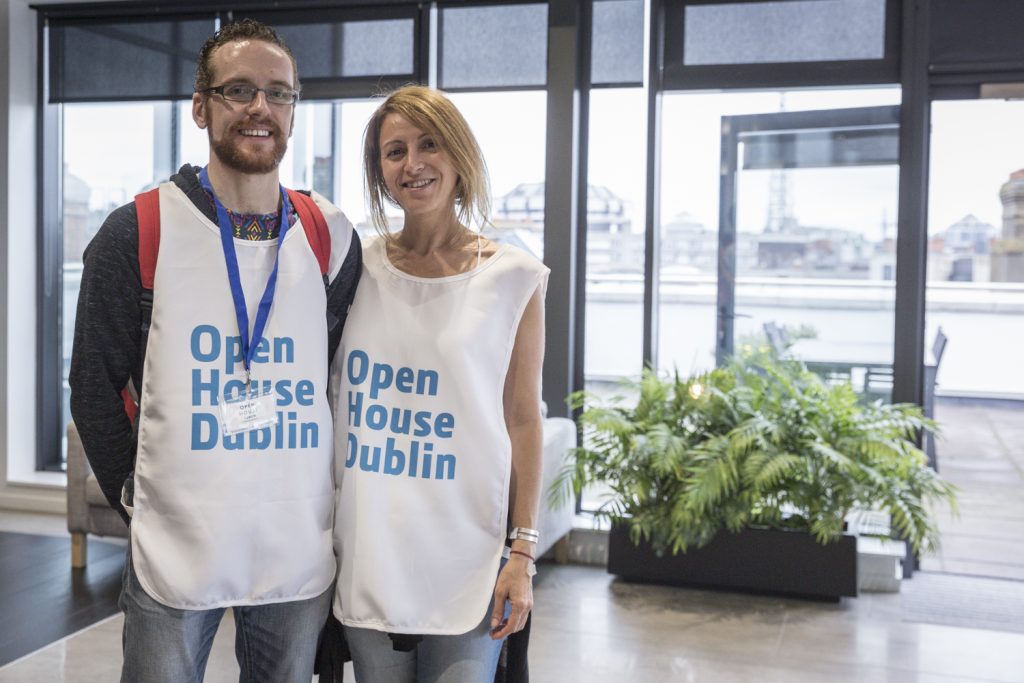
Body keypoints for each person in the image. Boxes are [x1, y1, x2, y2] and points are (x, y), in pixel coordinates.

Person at [68, 19, 360, 683]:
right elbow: (92, 384)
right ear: (201, 107)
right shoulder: (137, 232)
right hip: (177, 546)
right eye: (238, 90)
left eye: (279, 93)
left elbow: (339, 378)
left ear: (294, 109)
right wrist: (136, 498)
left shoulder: (329, 236)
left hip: (294, 545)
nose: (261, 106)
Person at [329, 85, 548, 683]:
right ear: (380, 171)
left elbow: (523, 419)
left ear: (459, 154)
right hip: (370, 555)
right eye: (394, 151)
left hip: (468, 558)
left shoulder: (513, 277)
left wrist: (523, 553)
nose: (413, 164)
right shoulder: (355, 268)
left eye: (429, 144)